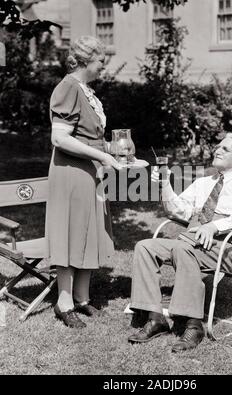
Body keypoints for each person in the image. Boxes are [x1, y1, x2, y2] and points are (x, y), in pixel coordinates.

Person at [128, 133, 232, 352]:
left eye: (225, 149)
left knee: (184, 248)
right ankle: (155, 318)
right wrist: (164, 185)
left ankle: (193, 324)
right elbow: (178, 210)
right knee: (144, 247)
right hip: (192, 241)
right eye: (218, 146)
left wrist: (214, 226)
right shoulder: (203, 182)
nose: (217, 150)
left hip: (228, 247)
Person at [46, 36, 122, 329]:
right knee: (70, 231)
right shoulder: (67, 88)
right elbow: (60, 138)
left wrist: (115, 152)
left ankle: (82, 298)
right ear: (87, 60)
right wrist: (101, 157)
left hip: (90, 171)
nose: (104, 66)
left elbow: (89, 137)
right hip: (71, 172)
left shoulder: (86, 91)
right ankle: (63, 303)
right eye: (102, 60)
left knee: (90, 230)